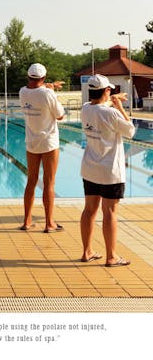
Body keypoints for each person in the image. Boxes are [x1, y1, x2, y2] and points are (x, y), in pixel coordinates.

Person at [79, 74, 135, 267]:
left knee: (89, 210)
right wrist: (119, 107)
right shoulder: (112, 114)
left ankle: (87, 252)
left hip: (90, 169)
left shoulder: (85, 109)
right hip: (110, 171)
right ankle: (111, 256)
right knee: (109, 211)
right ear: (107, 90)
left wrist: (112, 101)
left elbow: (99, 108)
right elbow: (130, 131)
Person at [19, 63, 65, 233]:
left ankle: (27, 221)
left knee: (31, 181)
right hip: (49, 143)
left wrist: (48, 87)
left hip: (31, 143)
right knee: (49, 182)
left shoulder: (22, 92)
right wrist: (52, 90)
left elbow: (35, 89)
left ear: (28, 76)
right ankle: (49, 223)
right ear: (44, 78)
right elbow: (60, 116)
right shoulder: (48, 94)